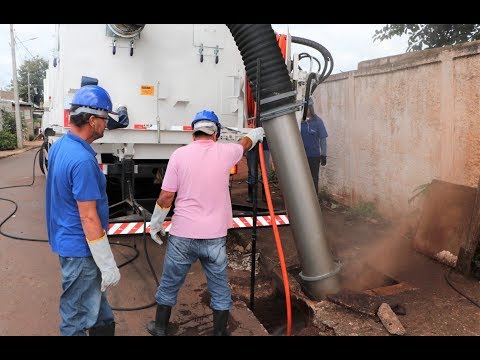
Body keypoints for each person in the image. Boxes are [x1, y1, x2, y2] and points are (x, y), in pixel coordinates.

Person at [146, 110, 265, 336]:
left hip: (183, 235)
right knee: (219, 287)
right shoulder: (226, 152)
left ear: (194, 133)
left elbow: (165, 197)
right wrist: (255, 133)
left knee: (170, 283)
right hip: (214, 237)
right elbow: (245, 144)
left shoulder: (179, 156)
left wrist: (156, 224)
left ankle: (160, 327)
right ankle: (219, 333)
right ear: (216, 133)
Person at [45, 85, 121, 336]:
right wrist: (107, 262)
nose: (106, 125)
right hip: (81, 249)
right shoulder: (83, 161)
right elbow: (88, 216)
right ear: (92, 120)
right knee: (76, 317)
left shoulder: (60, 146)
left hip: (68, 240)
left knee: (99, 310)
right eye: (104, 119)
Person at [300, 97, 328, 195]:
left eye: (307, 108)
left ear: (311, 108)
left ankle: (315, 200)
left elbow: (323, 139)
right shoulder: (299, 122)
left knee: (314, 179)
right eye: (304, 108)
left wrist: (324, 155)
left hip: (314, 156)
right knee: (302, 179)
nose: (306, 110)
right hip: (301, 156)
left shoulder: (318, 121)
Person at [246, 135, 271, 202]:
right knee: (252, 172)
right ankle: (251, 195)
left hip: (264, 147)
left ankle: (265, 195)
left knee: (265, 172)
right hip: (251, 147)